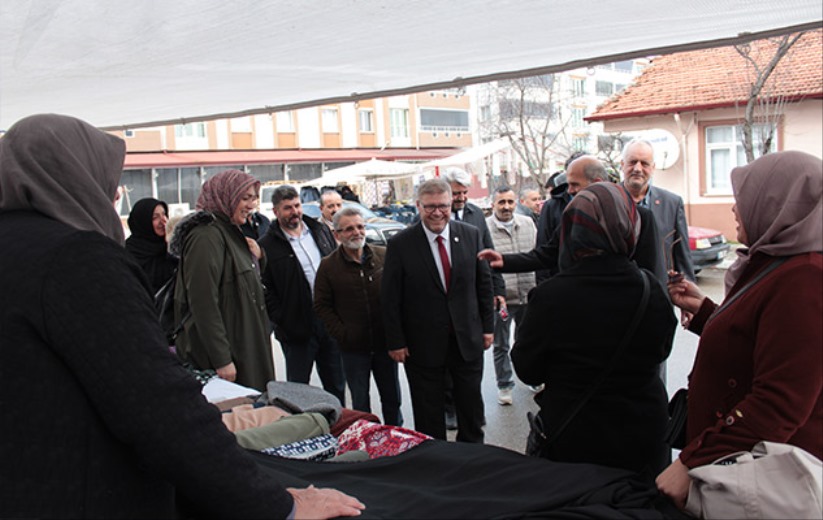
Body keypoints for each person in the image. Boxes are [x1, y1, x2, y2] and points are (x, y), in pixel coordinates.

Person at [0, 113, 364, 519]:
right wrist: (279, 506)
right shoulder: (76, 258)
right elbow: (155, 406)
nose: (112, 194)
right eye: (107, 181)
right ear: (76, 173)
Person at [656, 150, 823, 510]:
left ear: (776, 202)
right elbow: (756, 339)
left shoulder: (805, 277)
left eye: (743, 197)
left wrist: (692, 461)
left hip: (766, 480)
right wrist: (705, 312)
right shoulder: (777, 262)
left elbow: (779, 401)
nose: (735, 208)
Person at [512, 182, 676, 474]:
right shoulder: (650, 288)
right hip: (644, 437)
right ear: (628, 226)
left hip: (576, 438)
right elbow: (661, 349)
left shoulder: (550, 296)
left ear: (572, 230)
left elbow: (528, 369)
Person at [381, 178, 494, 443]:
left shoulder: (470, 234)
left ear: (450, 204)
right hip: (422, 345)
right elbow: (390, 298)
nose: (437, 212)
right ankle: (435, 461)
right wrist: (396, 341)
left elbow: (483, 284)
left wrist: (488, 328)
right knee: (428, 411)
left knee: (471, 407)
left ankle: (473, 457)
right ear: (418, 206)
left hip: (466, 339)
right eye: (430, 206)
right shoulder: (401, 243)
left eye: (442, 206)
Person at [479, 156, 664, 282]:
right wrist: (505, 261)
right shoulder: (573, 216)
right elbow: (547, 254)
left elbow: (652, 272)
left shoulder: (642, 217)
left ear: (597, 183)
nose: (570, 191)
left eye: (575, 184)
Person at [172, 170, 275, 391]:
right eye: (244, 197)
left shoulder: (230, 231)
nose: (252, 204)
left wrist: (259, 258)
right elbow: (203, 301)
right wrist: (222, 359)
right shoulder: (206, 236)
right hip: (230, 357)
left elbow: (242, 279)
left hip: (246, 346)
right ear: (225, 195)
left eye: (254, 197)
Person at [314, 206, 403, 425]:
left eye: (360, 226)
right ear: (337, 235)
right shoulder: (328, 266)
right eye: (349, 229)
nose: (357, 232)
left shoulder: (383, 255)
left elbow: (399, 295)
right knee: (361, 402)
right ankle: (369, 443)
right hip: (353, 349)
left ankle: (398, 440)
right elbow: (322, 305)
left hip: (385, 345)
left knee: (392, 399)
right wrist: (343, 334)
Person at [258, 185, 347, 405]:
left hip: (328, 321)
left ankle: (341, 430)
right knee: (298, 391)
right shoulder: (267, 245)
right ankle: (304, 432)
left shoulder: (319, 230)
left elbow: (336, 265)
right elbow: (265, 288)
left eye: (296, 205)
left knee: (336, 384)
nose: (294, 212)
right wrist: (282, 319)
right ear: (276, 211)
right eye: (287, 208)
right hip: (296, 327)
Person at [441, 167, 503, 428]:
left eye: (465, 192)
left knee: (472, 359)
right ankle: (450, 408)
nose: (462, 197)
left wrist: (497, 289)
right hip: (445, 296)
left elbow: (489, 253)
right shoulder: (434, 214)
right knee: (447, 361)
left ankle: (471, 409)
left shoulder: (476, 214)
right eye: (456, 193)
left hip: (471, 296)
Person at [486, 186, 537, 405]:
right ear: (493, 205)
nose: (506, 206)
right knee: (501, 344)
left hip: (528, 294)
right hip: (503, 299)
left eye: (510, 202)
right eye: (501, 202)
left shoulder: (527, 223)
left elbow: (537, 254)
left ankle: (533, 377)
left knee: (529, 341)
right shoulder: (485, 228)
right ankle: (504, 385)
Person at [621, 139, 695, 286]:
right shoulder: (606, 202)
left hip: (660, 295)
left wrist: (688, 296)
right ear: (622, 165)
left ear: (653, 167)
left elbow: (682, 256)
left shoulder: (672, 204)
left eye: (644, 163)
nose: (637, 168)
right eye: (632, 162)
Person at [124, 197, 178, 293]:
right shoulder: (130, 253)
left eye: (164, 214)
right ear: (143, 222)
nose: (163, 221)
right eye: (155, 217)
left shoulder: (170, 245)